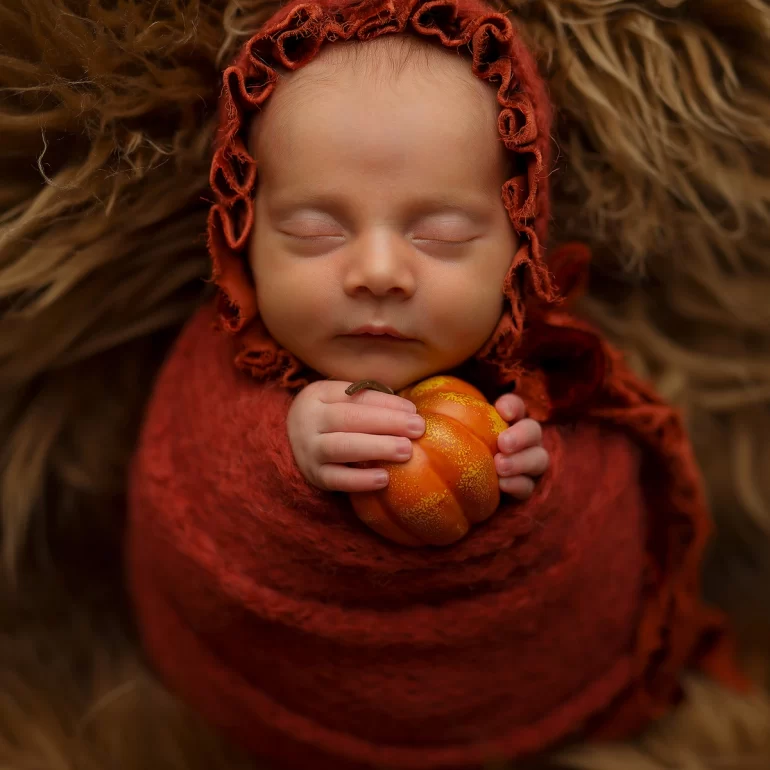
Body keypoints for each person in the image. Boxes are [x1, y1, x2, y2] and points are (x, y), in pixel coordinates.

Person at [125, 1, 748, 769]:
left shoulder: (553, 371)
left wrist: (535, 481)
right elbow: (187, 485)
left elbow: (604, 515)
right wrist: (284, 457)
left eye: (442, 236)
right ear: (244, 235)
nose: (379, 272)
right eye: (315, 232)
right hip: (265, 703)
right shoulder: (222, 362)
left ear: (519, 241)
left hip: (499, 700)